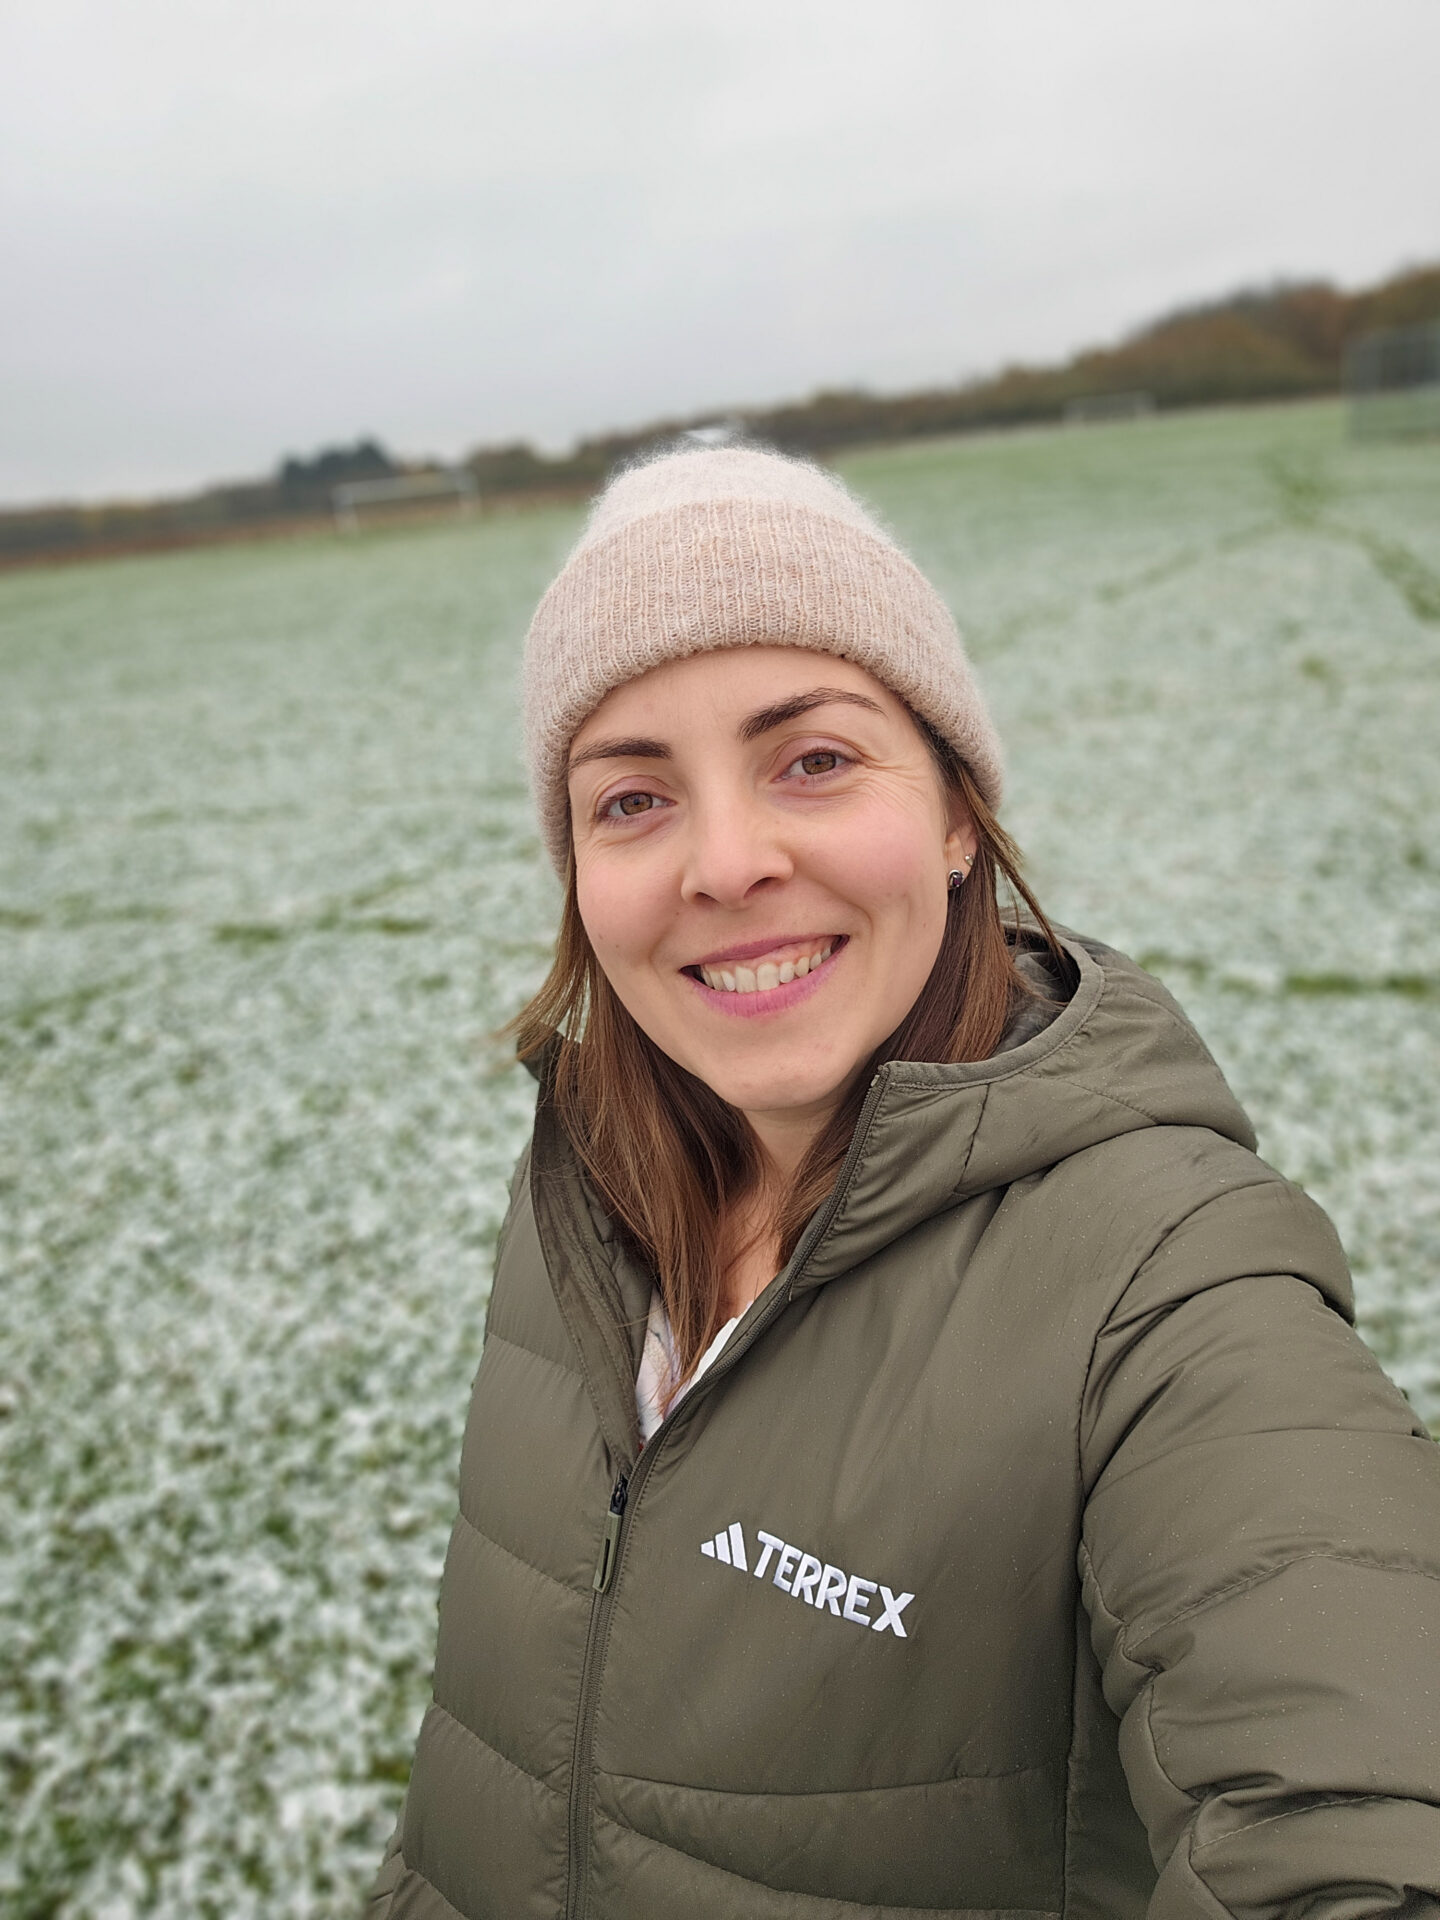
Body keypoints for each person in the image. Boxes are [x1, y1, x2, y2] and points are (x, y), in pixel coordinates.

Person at [369, 446, 1440, 1919]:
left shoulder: (1165, 1275)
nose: (725, 862)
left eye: (811, 758)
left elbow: (1351, 1812)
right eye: (631, 798)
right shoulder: (587, 1189)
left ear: (955, 815)